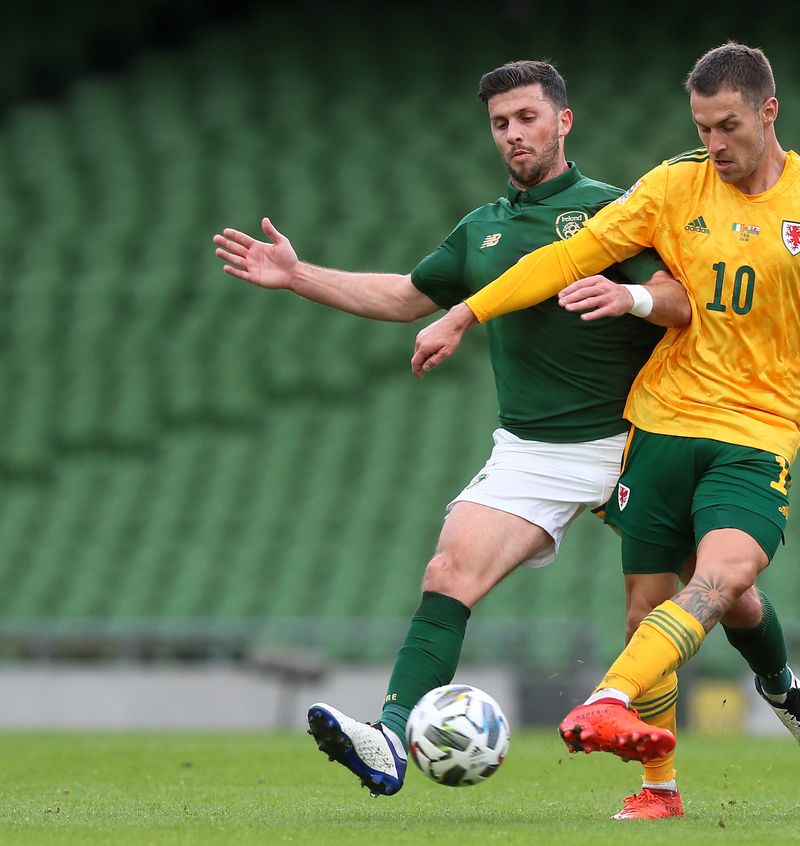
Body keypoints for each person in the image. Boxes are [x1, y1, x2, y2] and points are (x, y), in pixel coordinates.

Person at [212, 59, 765, 821]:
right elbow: (407, 297)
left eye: (528, 118)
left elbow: (682, 299)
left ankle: (781, 684)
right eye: (501, 123)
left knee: (719, 595)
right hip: (533, 452)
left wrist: (630, 297)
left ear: (563, 121)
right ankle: (389, 737)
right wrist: (300, 274)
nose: (514, 134)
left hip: (638, 438)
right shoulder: (482, 228)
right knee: (446, 572)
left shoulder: (616, 211)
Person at [412, 42, 800, 773]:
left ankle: (762, 689)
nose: (714, 144)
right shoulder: (670, 185)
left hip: (756, 431)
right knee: (652, 613)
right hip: (661, 420)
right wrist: (466, 313)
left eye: (728, 126)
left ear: (768, 110)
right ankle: (660, 789)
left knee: (724, 584)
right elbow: (566, 258)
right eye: (702, 129)